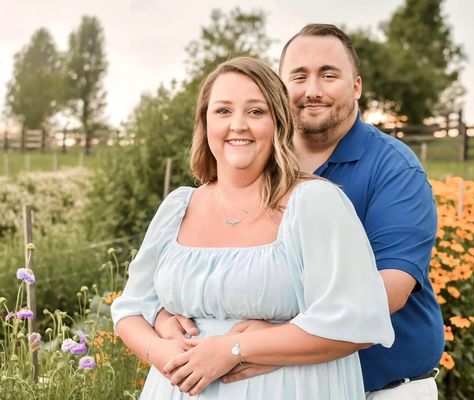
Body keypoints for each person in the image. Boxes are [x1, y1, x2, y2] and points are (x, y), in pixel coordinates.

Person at [155, 24, 445, 400]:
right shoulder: (252, 156)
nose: (312, 90)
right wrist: (166, 316)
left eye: (328, 75)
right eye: (299, 76)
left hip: (383, 387)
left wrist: (270, 342)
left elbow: (388, 291)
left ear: (356, 86)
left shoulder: (392, 168)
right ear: (280, 87)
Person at [111, 56, 394, 399]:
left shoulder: (315, 203)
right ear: (205, 123)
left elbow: (357, 324)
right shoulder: (178, 207)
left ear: (278, 123)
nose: (238, 125)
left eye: (256, 111)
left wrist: (237, 347)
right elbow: (131, 308)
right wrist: (161, 350)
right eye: (223, 111)